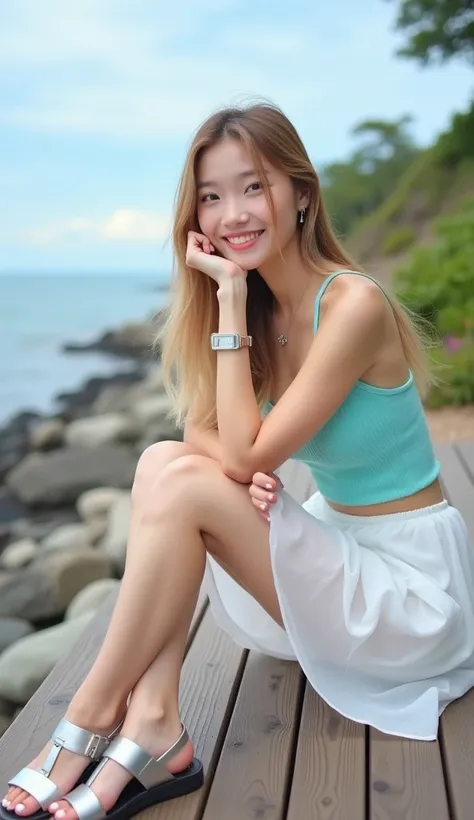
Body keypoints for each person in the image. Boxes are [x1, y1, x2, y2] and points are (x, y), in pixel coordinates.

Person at [3, 100, 474, 820]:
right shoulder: (260, 312)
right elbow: (199, 441)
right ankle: (154, 713)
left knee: (182, 478)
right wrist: (232, 310)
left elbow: (245, 452)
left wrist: (226, 298)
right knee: (164, 464)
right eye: (213, 197)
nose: (234, 214)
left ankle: (94, 713)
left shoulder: (351, 304)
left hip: (408, 596)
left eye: (254, 187)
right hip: (336, 553)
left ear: (302, 193)